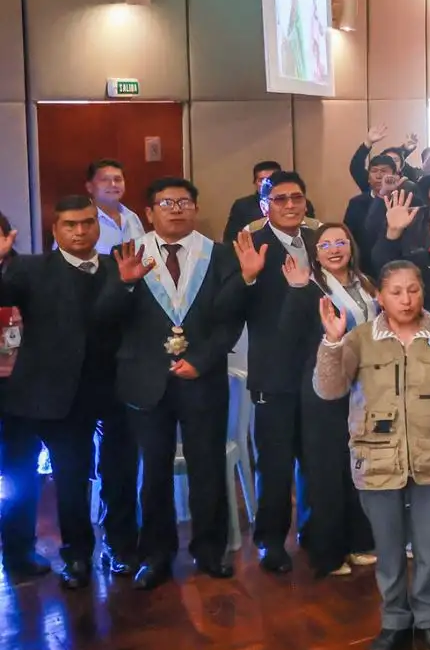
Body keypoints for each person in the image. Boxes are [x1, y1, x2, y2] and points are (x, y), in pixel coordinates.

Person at [315, 261, 430, 650]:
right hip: (377, 458)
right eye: (397, 292)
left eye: (413, 290)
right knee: (387, 549)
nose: (406, 299)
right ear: (380, 297)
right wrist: (332, 344)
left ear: (423, 291)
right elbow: (329, 390)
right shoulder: (359, 338)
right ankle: (394, 622)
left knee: (429, 547)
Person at [101, 178, 249, 589]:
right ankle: (156, 553)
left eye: (185, 202)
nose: (177, 208)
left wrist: (200, 361)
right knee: (153, 471)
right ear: (149, 213)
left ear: (196, 209)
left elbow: (230, 318)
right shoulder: (125, 255)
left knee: (207, 467)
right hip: (145, 380)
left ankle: (209, 549)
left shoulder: (218, 256)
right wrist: (126, 283)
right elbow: (107, 319)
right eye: (166, 202)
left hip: (201, 377)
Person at [0, 197, 136, 586]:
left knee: (120, 474)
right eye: (71, 225)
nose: (80, 232)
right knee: (71, 479)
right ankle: (77, 556)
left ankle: (122, 547)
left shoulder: (117, 266)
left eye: (88, 223)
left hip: (113, 388)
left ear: (98, 226)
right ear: (56, 230)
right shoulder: (30, 269)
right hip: (58, 394)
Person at [275, 221, 379, 576]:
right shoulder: (309, 286)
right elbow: (286, 335)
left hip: (364, 387)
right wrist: (294, 291)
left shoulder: (366, 282)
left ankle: (357, 541)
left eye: (341, 242)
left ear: (351, 245)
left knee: (358, 466)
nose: (335, 249)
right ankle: (327, 551)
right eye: (325, 245)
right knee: (326, 470)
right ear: (315, 253)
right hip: (323, 388)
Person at [233, 170, 319, 574]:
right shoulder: (253, 247)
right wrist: (247, 278)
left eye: (296, 198)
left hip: (321, 369)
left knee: (316, 457)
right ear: (264, 205)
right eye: (279, 199)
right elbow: (230, 308)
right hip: (274, 372)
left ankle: (314, 532)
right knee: (276, 462)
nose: (289, 206)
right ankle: (270, 541)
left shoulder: (321, 242)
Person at [85, 159, 145, 252]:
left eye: (118, 179)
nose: (113, 184)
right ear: (90, 187)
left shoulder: (132, 217)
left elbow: (145, 255)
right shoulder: (80, 219)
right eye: (104, 180)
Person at [224, 160, 284, 242]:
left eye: (272, 179)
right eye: (262, 180)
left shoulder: (297, 203)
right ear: (255, 183)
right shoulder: (242, 206)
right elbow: (231, 240)